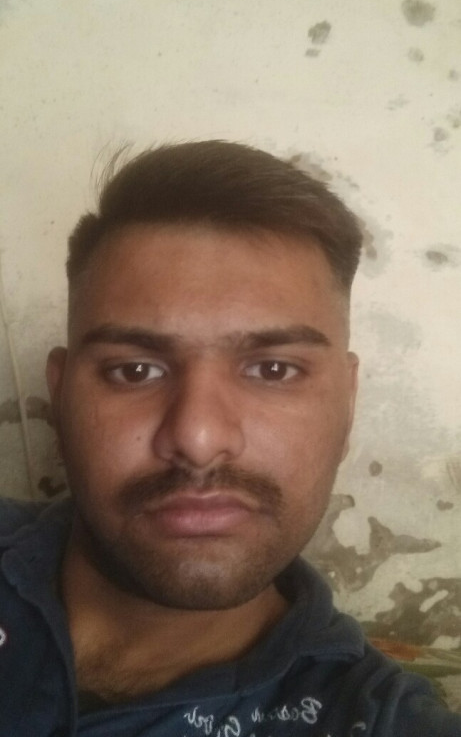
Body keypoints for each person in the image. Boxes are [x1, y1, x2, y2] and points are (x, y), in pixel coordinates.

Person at [0, 140, 459, 737]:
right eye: (134, 370)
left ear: (347, 407)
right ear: (60, 397)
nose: (197, 439)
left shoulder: (380, 720)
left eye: (274, 369)